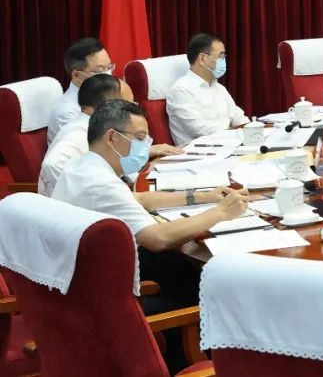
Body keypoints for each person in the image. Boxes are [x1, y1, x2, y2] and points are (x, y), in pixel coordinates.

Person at [51, 99, 248, 372]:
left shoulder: (82, 167)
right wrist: (221, 213)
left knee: (181, 268)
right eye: (140, 138)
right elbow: (157, 238)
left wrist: (203, 196)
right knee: (204, 289)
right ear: (112, 137)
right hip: (102, 307)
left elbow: (138, 199)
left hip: (83, 285)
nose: (146, 146)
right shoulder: (100, 183)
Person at [39, 77, 181, 196]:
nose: (133, 109)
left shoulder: (97, 127)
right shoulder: (79, 133)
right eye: (128, 104)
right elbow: (52, 165)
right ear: (108, 107)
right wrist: (84, 197)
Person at [166, 33, 248, 145]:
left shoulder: (219, 88)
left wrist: (250, 129)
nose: (223, 61)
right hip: (199, 151)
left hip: (229, 144)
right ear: (202, 59)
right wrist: (236, 133)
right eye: (220, 56)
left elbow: (238, 116)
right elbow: (201, 130)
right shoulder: (181, 90)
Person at [47, 37, 114, 144]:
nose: (108, 75)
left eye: (109, 67)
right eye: (100, 70)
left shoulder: (104, 97)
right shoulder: (67, 112)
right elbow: (93, 148)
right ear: (76, 75)